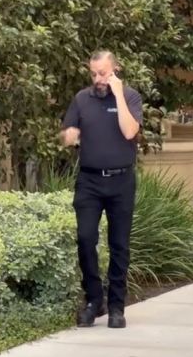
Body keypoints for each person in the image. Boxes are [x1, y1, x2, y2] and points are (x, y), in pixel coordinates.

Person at [60, 51, 143, 328]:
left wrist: (117, 94)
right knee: (85, 238)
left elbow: (130, 132)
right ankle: (95, 300)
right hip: (90, 181)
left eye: (103, 73)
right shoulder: (82, 99)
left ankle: (117, 306)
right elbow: (67, 132)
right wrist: (68, 136)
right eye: (94, 73)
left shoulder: (130, 97)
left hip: (121, 181)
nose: (98, 79)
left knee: (120, 244)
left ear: (115, 70)